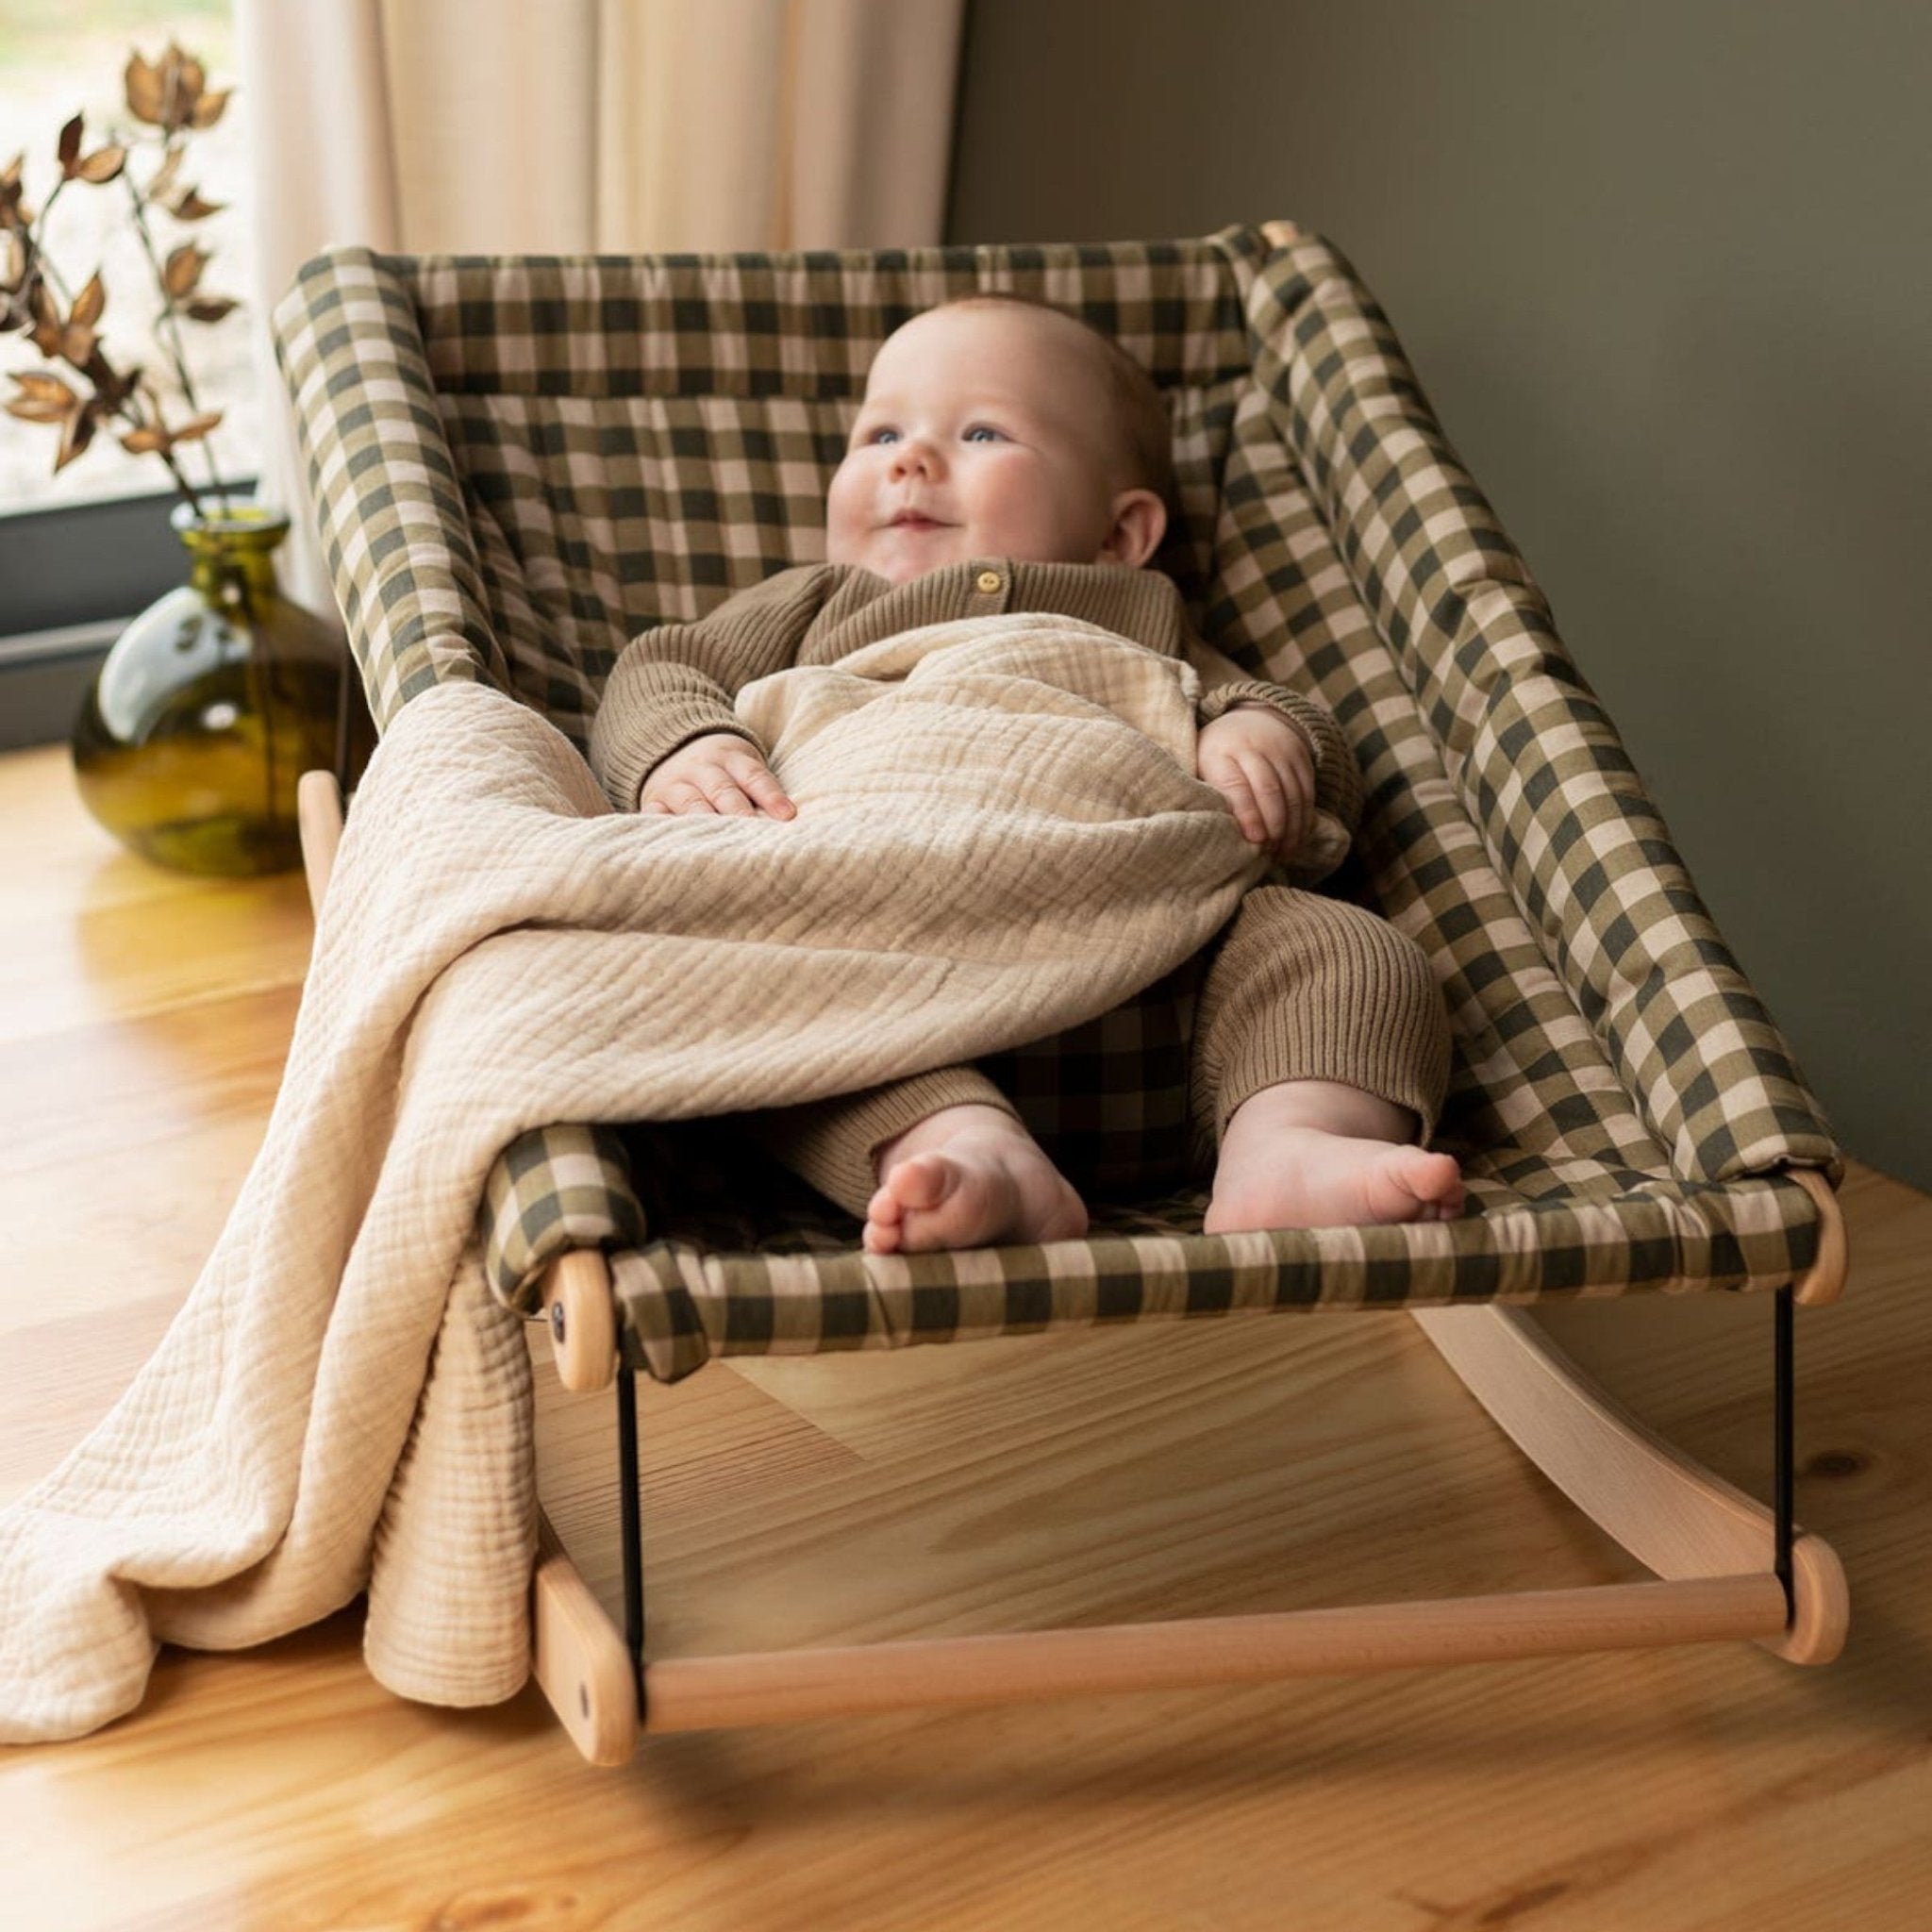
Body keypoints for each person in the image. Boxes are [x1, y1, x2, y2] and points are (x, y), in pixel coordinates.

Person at [589, 293, 1461, 1255]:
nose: (909, 459)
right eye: (880, 431)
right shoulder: (816, 605)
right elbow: (660, 667)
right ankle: (966, 1148)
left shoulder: (1137, 617)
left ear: (1120, 533)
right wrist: (687, 744)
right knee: (767, 1002)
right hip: (880, 968)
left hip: (1164, 988)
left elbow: (1302, 749)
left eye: (979, 431)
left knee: (1343, 948)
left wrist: (1255, 735)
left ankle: (1285, 1141)